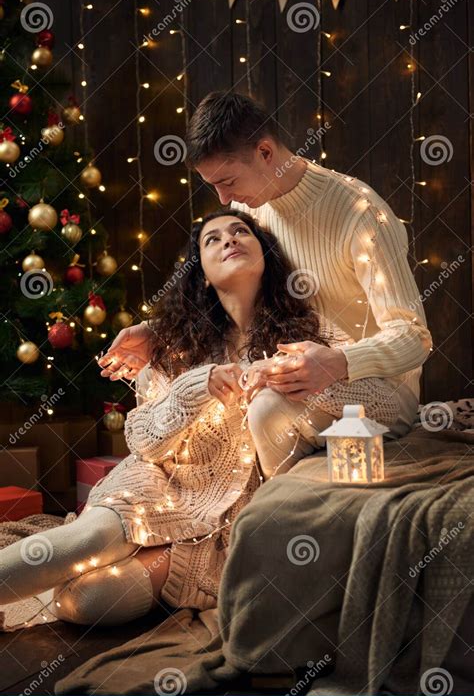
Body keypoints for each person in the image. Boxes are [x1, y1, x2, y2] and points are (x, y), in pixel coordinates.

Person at [0, 210, 398, 629]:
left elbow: (385, 403)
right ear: (203, 274)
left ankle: (51, 577)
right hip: (154, 486)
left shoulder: (311, 333)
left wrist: (300, 376)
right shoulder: (173, 345)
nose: (229, 240)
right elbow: (143, 441)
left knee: (88, 601)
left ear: (265, 255)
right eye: (213, 239)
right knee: (88, 540)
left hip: (219, 530)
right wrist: (196, 386)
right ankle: (60, 561)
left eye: (241, 231)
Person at [104, 91, 432, 440]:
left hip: (373, 394)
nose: (223, 200)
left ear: (264, 152)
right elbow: (230, 299)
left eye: (227, 182)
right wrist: (163, 332)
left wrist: (339, 363)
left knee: (267, 409)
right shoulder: (248, 212)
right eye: (213, 186)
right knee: (165, 383)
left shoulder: (360, 214)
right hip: (285, 380)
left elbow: (413, 337)